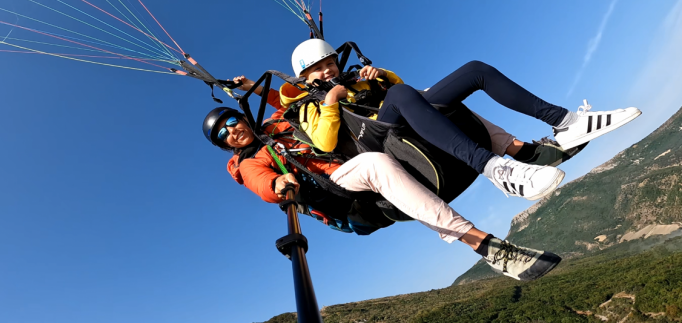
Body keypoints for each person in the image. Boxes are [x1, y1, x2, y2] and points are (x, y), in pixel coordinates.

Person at [202, 91, 561, 282]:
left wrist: (251, 88)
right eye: (224, 133)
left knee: (425, 101)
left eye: (232, 121)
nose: (232, 130)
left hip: (352, 162)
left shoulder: (274, 126)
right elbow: (259, 183)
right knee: (375, 164)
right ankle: (485, 246)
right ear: (226, 144)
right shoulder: (250, 160)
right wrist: (278, 182)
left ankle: (520, 153)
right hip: (337, 188)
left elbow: (290, 104)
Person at [281, 39, 641, 200]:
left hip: (405, 122)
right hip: (377, 141)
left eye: (329, 63)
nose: (327, 71)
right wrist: (331, 99)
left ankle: (566, 121)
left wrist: (382, 77)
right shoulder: (311, 105)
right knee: (403, 95)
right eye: (317, 69)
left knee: (475, 69)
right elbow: (325, 142)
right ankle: (498, 170)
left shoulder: (360, 78)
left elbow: (410, 96)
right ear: (305, 77)